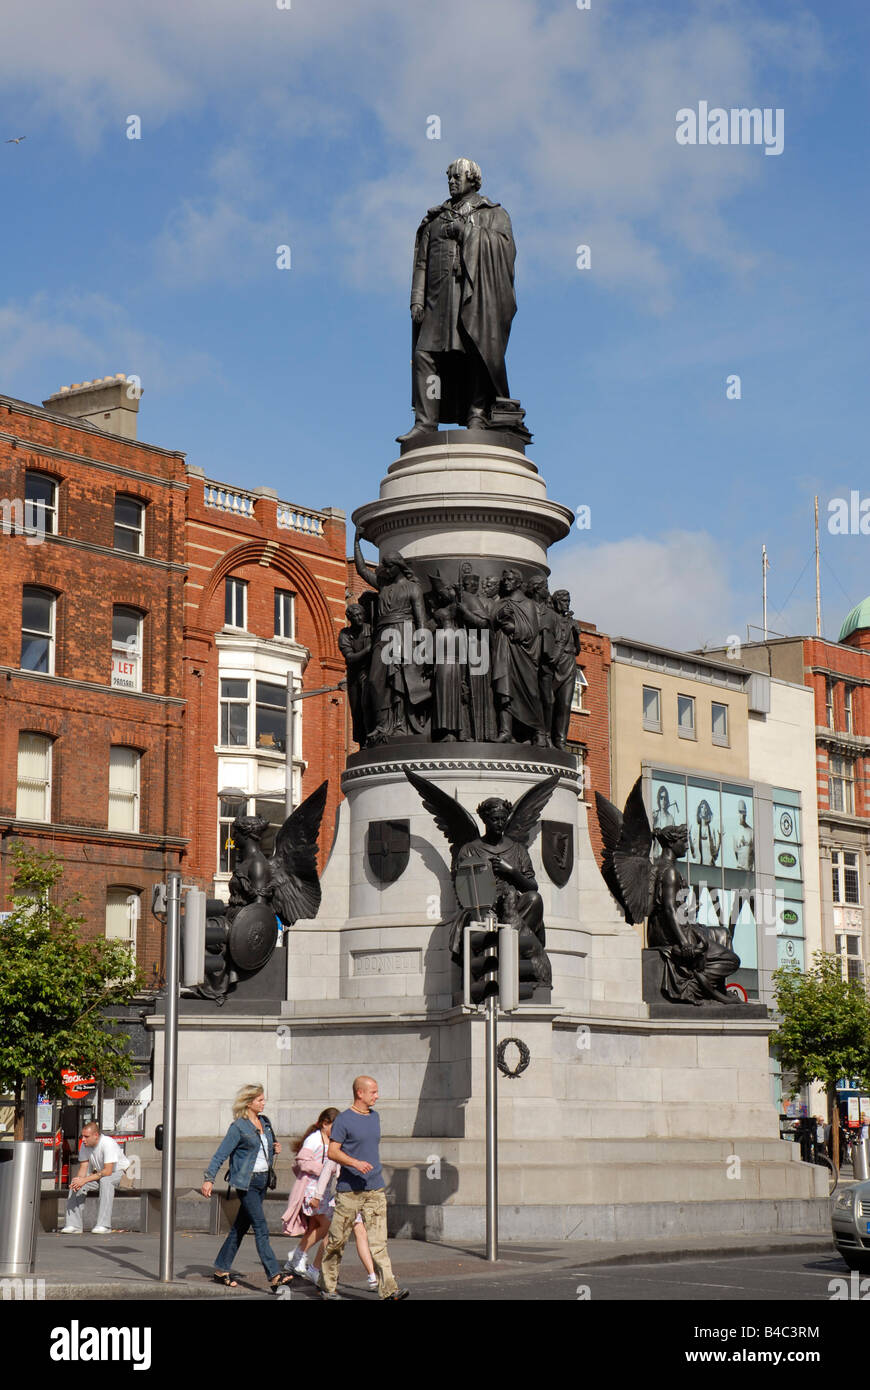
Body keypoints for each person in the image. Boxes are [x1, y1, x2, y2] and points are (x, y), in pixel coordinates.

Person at [319, 1076, 409, 1301]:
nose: (377, 1096)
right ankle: (328, 1286)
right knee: (337, 1242)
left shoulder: (375, 1117)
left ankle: (389, 1290)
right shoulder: (344, 1120)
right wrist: (355, 1163)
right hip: (349, 1190)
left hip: (375, 1189)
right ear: (360, 1093)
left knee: (379, 1242)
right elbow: (332, 1152)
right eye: (373, 1092)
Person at [201, 1083, 292, 1292]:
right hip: (246, 1182)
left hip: (263, 1181)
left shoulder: (265, 1122)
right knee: (261, 1227)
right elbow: (220, 1154)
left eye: (263, 1099)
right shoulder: (238, 1127)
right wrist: (209, 1178)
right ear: (249, 1102)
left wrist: (274, 1147)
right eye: (260, 1100)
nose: (263, 1103)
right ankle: (274, 1275)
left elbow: (266, 1146)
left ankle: (221, 1268)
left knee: (241, 1226)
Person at [282, 1107, 378, 1291]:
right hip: (310, 1190)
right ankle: (301, 1258)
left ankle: (297, 1258)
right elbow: (301, 1161)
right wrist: (323, 1169)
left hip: (323, 1192)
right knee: (325, 1226)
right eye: (334, 1126)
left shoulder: (332, 1141)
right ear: (325, 1123)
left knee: (317, 1227)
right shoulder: (314, 1139)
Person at [61, 1121, 130, 1234]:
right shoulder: (84, 1145)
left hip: (119, 1174)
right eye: (82, 1136)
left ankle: (104, 1225)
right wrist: (78, 1181)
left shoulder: (108, 1143)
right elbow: (83, 1168)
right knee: (76, 1182)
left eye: (86, 1136)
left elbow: (108, 1171)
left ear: (96, 1135)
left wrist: (84, 1180)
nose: (83, 1139)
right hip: (100, 1174)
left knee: (106, 1181)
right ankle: (74, 1225)